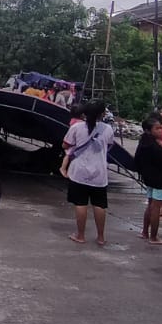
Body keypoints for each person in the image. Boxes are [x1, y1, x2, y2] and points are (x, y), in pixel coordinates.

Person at [62, 100, 115, 246]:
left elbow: (65, 144)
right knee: (99, 205)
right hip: (99, 173)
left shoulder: (77, 127)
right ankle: (101, 237)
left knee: (80, 204)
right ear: (103, 114)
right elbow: (110, 145)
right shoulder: (108, 129)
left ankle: (80, 235)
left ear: (84, 113)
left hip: (79, 172)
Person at [134, 116, 162, 245]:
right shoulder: (155, 146)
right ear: (149, 130)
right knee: (156, 207)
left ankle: (145, 231)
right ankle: (154, 237)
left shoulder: (143, 142)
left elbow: (136, 160)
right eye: (157, 128)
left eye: (161, 127)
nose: (161, 130)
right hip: (159, 178)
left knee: (150, 205)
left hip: (148, 178)